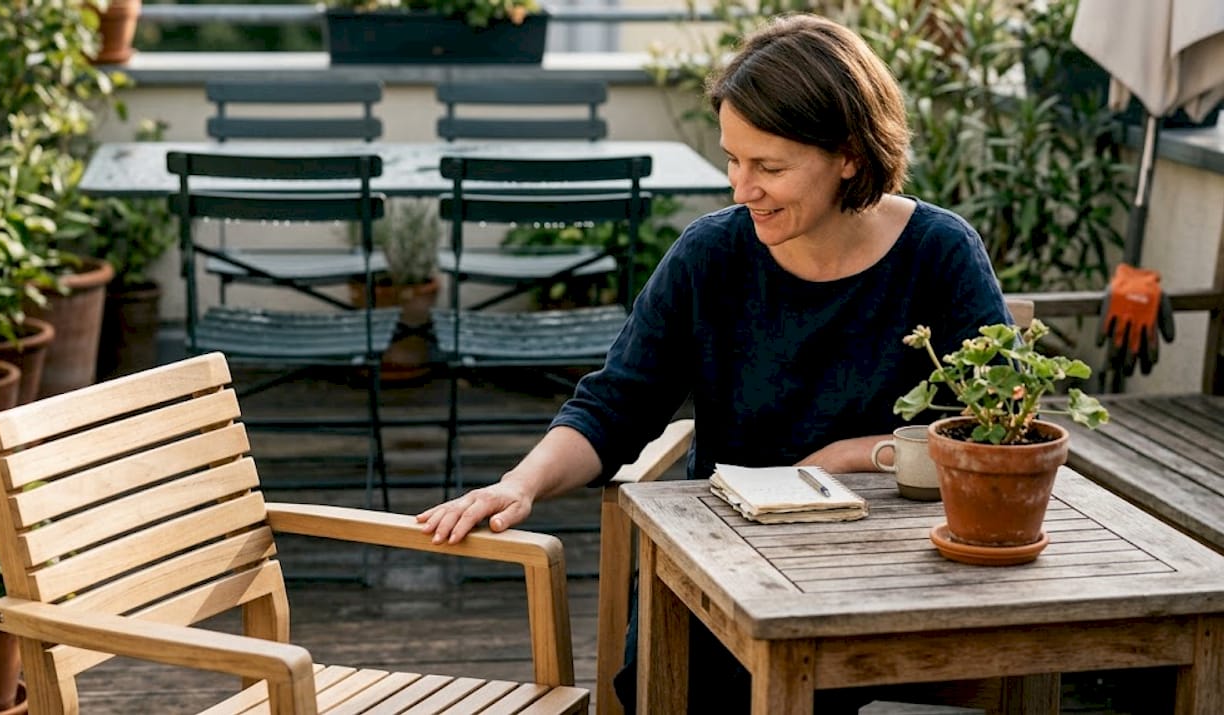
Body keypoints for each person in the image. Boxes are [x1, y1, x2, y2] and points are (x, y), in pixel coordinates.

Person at [418, 12, 1012, 712]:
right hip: (732, 562)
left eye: (768, 166)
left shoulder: (938, 253)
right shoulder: (712, 257)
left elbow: (997, 434)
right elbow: (615, 406)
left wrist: (853, 456)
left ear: (849, 154)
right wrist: (520, 483)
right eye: (733, 158)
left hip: (895, 567)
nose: (741, 187)